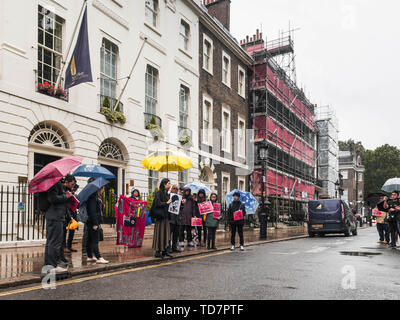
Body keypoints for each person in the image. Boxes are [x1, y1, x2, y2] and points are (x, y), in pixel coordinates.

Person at [44, 174, 75, 273]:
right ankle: (52, 266)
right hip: (55, 216)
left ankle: (49, 265)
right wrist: (65, 196)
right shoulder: (54, 183)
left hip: (56, 216)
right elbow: (52, 198)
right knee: (54, 242)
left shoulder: (56, 183)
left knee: (51, 242)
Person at [86, 187, 109, 264]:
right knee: (95, 240)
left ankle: (90, 256)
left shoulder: (95, 197)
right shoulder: (93, 197)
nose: (102, 190)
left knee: (89, 239)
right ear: (98, 189)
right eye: (102, 189)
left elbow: (96, 210)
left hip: (90, 221)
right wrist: (95, 223)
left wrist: (101, 206)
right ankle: (99, 257)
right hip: (93, 222)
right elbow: (92, 211)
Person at [151, 179, 173, 258]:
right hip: (160, 217)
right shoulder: (159, 193)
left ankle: (164, 250)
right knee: (160, 233)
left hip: (166, 216)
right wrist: (166, 203)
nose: (169, 185)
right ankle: (158, 251)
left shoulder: (167, 194)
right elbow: (157, 203)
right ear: (164, 184)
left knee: (166, 234)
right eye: (168, 183)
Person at [63, 183, 79, 253]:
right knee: (64, 232)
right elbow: (66, 205)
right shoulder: (66, 194)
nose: (74, 190)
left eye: (75, 189)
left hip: (73, 214)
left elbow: (77, 205)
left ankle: (69, 246)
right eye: (73, 188)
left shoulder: (75, 196)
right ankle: (64, 247)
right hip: (67, 215)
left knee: (72, 232)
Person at [168, 185, 181, 253]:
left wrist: (183, 203)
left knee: (176, 234)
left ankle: (174, 247)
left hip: (177, 219)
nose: (176, 190)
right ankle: (168, 247)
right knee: (169, 234)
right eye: (174, 188)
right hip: (170, 218)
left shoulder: (179, 197)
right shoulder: (168, 196)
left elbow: (180, 208)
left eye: (177, 189)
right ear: (171, 189)